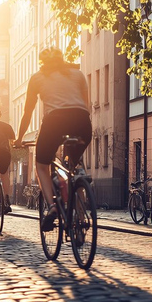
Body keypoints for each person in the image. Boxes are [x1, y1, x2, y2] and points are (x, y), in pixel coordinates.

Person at [13, 47, 92, 231]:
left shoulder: (37, 78)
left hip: (54, 123)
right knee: (74, 167)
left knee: (42, 165)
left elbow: (27, 112)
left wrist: (19, 139)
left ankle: (52, 207)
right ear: (62, 59)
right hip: (82, 123)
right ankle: (80, 215)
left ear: (42, 62)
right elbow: (85, 105)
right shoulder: (78, 74)